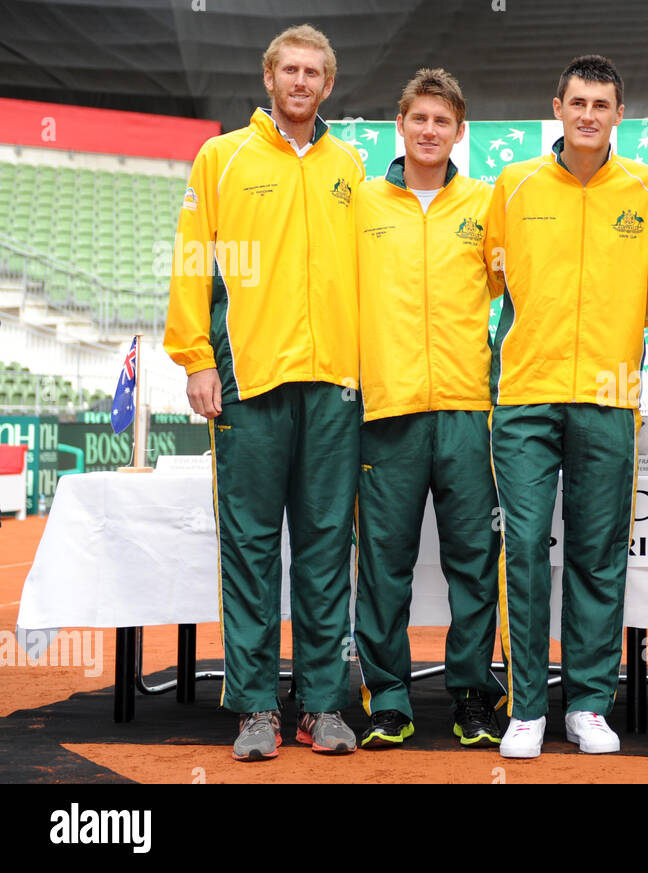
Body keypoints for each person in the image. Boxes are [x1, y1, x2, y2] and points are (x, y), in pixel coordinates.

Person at [164, 24, 365, 761]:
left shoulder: (350, 166)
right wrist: (196, 357)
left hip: (335, 386)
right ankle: (254, 706)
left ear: (329, 84)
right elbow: (192, 261)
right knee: (250, 548)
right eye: (290, 69)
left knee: (322, 549)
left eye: (314, 71)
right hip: (250, 381)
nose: (302, 81)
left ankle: (320, 704)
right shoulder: (222, 158)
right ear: (270, 78)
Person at [484, 55, 648, 758]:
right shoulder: (515, 184)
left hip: (609, 396)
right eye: (578, 102)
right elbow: (487, 276)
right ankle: (528, 706)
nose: (589, 114)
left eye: (602, 104)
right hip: (527, 395)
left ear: (620, 114)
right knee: (527, 548)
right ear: (556, 108)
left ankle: (588, 702)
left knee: (598, 552)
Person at [352, 69, 504, 750]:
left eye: (443, 121)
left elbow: (519, 292)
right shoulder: (361, 204)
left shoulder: (486, 203)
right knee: (383, 562)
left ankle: (473, 694)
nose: (430, 131)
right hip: (387, 412)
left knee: (475, 558)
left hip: (469, 409)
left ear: (459, 131)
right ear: (401, 124)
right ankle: (387, 696)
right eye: (419, 118)